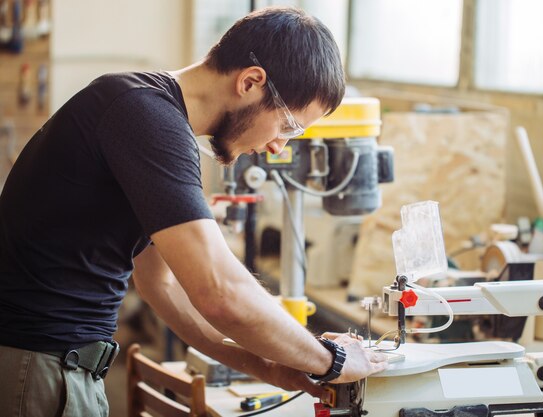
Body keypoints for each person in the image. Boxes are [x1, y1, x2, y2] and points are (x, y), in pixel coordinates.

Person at [0, 6, 388, 417]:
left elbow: (160, 285)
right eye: (288, 127)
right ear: (251, 82)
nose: (279, 147)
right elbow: (220, 292)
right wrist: (332, 360)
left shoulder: (141, 108)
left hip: (50, 363)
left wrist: (269, 364)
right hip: (39, 367)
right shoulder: (147, 119)